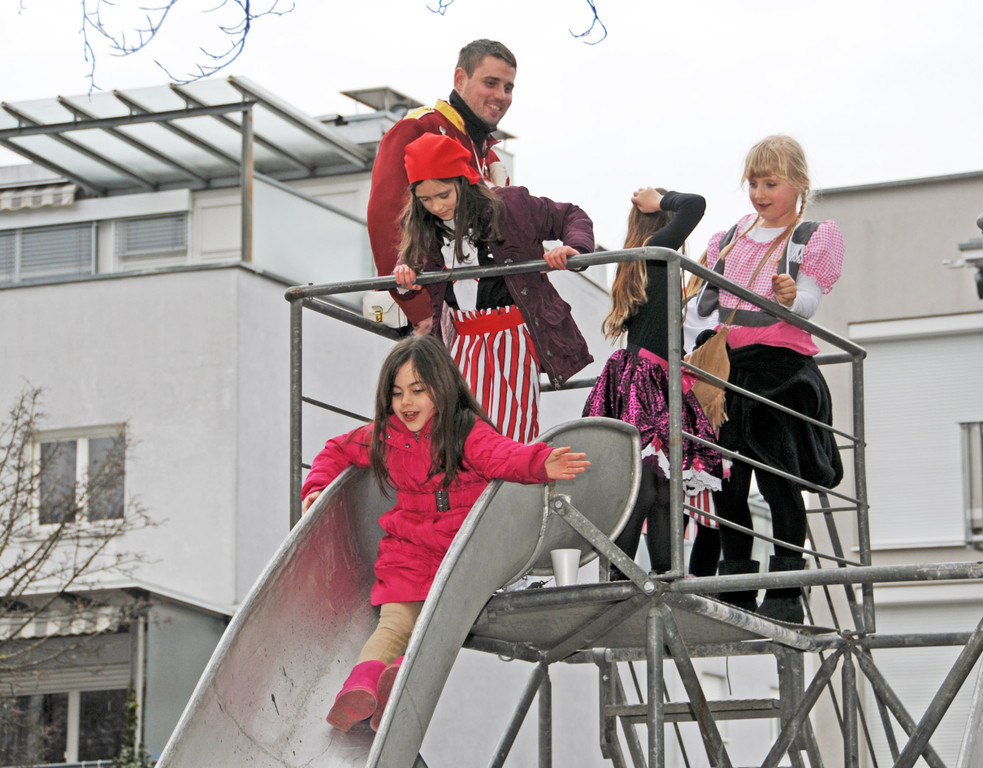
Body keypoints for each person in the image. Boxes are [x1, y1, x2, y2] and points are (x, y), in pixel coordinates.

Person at [301, 334, 589, 732]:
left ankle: (382, 681)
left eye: (418, 391)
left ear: (442, 387)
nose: (406, 403)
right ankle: (364, 686)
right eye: (398, 393)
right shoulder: (385, 436)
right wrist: (316, 486)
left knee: (424, 628)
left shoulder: (463, 431)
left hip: (457, 552)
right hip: (410, 549)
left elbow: (503, 455)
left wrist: (541, 462)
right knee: (397, 625)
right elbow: (336, 450)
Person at [699, 135, 844, 623]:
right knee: (728, 483)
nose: (760, 193)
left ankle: (785, 586)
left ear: (799, 184)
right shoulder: (732, 235)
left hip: (780, 371)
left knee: (779, 480)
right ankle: (737, 582)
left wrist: (787, 296)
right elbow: (703, 307)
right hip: (730, 373)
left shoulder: (812, 236)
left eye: (771, 183)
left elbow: (806, 306)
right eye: (753, 183)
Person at [393, 132, 594, 443]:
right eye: (426, 200)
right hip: (458, 340)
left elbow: (570, 215)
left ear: (464, 181)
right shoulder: (423, 225)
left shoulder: (511, 205)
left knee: (508, 431)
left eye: (444, 195)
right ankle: (471, 493)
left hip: (509, 338)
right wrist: (405, 275)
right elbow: (410, 267)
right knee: (455, 432)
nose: (436, 206)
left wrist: (574, 250)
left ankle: (508, 492)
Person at [582, 187, 723, 577]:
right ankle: (621, 573)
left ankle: (660, 574)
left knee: (662, 490)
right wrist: (662, 198)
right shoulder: (656, 249)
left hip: (652, 373)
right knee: (648, 486)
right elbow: (695, 204)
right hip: (648, 375)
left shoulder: (644, 258)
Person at [367, 39, 517, 334]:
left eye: (508, 87)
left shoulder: (491, 156)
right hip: (439, 319)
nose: (501, 95)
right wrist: (423, 313)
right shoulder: (418, 128)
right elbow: (387, 222)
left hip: (491, 319)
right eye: (491, 83)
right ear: (460, 79)